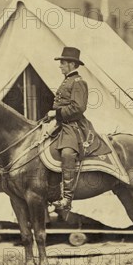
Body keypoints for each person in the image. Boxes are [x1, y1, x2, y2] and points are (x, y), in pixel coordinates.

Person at [45, 47, 94, 212]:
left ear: (72, 64)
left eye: (63, 63)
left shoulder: (79, 82)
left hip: (73, 125)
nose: (60, 66)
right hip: (61, 123)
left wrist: (56, 113)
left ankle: (67, 198)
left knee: (67, 153)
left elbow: (78, 108)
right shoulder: (67, 80)